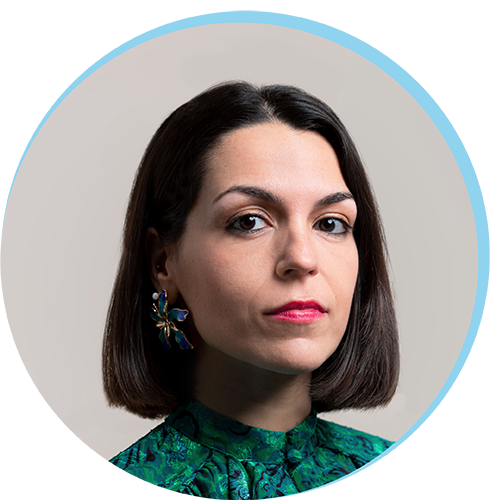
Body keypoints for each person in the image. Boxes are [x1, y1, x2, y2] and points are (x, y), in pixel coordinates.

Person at [103, 81, 399, 499]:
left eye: (330, 223)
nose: (302, 258)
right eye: (249, 221)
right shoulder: (125, 488)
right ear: (162, 263)